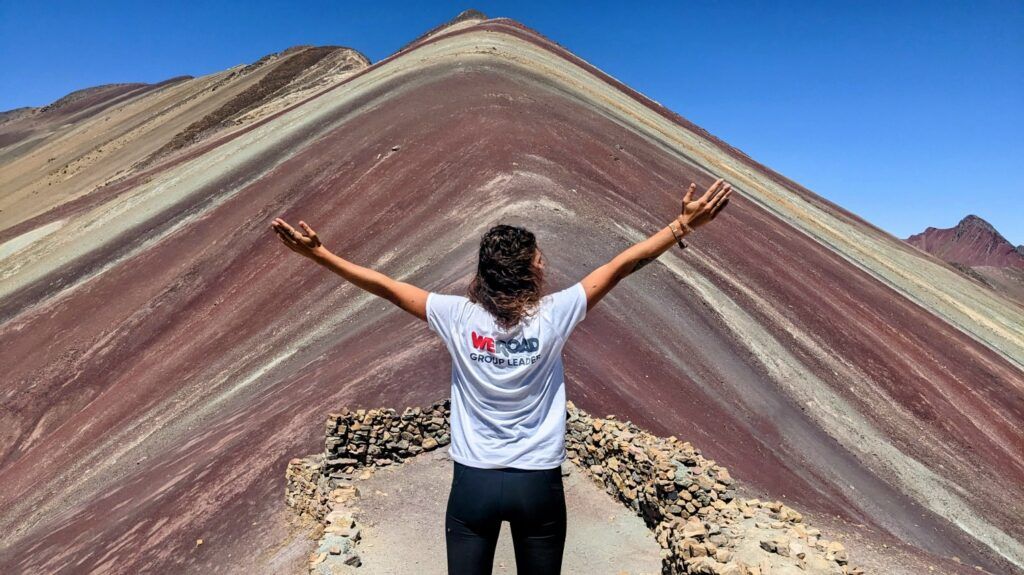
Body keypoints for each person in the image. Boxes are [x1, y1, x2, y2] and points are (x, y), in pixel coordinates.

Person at [271, 178, 733, 574]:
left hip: (473, 483)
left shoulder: (455, 316)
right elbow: (621, 266)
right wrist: (682, 226)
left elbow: (386, 287)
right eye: (539, 258)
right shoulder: (556, 313)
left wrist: (321, 256)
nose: (545, 263)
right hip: (538, 483)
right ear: (531, 270)